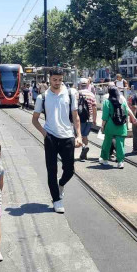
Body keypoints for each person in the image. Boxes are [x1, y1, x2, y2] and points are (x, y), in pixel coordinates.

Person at [32, 67, 82, 214]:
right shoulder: (43, 97)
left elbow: (75, 116)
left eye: (60, 80)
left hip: (67, 136)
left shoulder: (70, 94)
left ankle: (61, 184)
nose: (57, 82)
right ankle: (56, 200)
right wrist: (44, 133)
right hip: (51, 137)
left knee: (70, 170)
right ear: (49, 79)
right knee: (51, 170)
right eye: (54, 80)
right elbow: (34, 120)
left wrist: (78, 135)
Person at [100, 86, 137, 169]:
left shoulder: (107, 102)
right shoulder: (123, 102)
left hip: (110, 125)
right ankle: (120, 162)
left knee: (107, 142)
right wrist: (133, 117)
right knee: (120, 144)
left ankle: (105, 159)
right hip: (121, 125)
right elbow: (127, 111)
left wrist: (102, 126)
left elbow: (105, 116)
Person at [77, 78, 97, 162]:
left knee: (79, 135)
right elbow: (94, 107)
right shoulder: (91, 95)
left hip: (79, 118)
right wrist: (94, 119)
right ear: (88, 85)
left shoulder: (77, 94)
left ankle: (84, 148)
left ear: (80, 85)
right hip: (89, 118)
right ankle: (85, 149)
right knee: (85, 135)